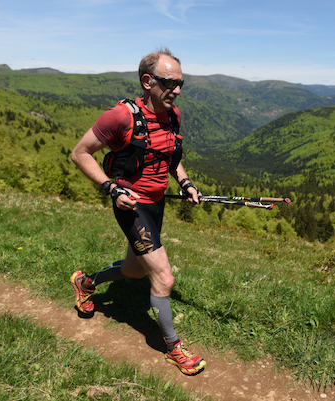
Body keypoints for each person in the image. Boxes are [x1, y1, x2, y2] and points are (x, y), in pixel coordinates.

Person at [69, 47, 205, 375]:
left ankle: (86, 283)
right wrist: (110, 188)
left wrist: (185, 182)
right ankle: (173, 347)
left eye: (181, 83)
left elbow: (170, 156)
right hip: (131, 206)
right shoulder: (120, 116)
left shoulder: (174, 115)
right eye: (169, 83)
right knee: (163, 277)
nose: (177, 90)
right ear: (147, 81)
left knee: (134, 271)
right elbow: (80, 153)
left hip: (157, 205)